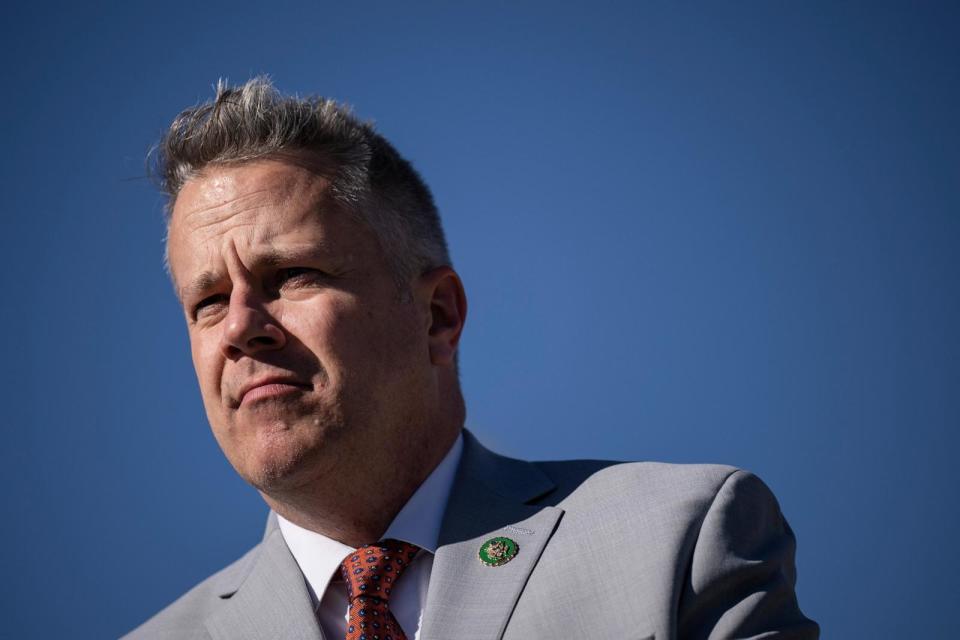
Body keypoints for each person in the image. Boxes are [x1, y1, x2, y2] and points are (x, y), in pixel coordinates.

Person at [125, 77, 818, 640]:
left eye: (293, 276)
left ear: (437, 316)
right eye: (208, 301)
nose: (243, 326)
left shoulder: (677, 540)